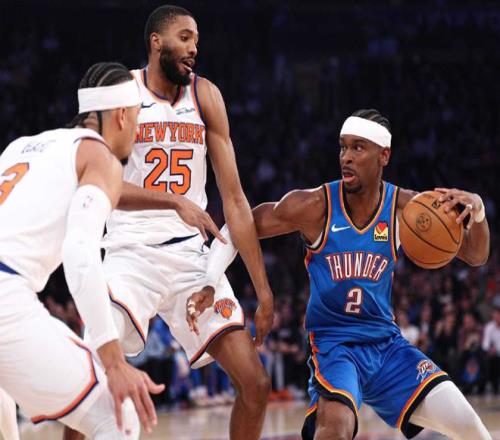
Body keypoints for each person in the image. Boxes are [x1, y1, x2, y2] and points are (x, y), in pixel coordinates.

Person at [188, 109, 492, 439]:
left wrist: (476, 209)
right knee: (335, 430)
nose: (346, 157)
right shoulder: (315, 205)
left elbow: (476, 255)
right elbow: (240, 224)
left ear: (384, 156)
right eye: (343, 147)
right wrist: (210, 281)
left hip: (387, 345)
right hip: (335, 347)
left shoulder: (408, 208)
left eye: (358, 147)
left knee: (472, 427)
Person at [65, 5, 273, 440]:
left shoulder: (206, 96)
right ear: (156, 42)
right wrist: (174, 202)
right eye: (184, 37)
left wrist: (263, 289)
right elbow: (98, 182)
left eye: (196, 39)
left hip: (190, 259)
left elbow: (235, 200)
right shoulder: (121, 93)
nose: (194, 47)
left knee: (255, 384)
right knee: (91, 376)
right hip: (129, 252)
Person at [0, 62, 167, 438]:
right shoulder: (99, 156)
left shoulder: (18, 148)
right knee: (120, 414)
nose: (137, 133)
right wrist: (113, 361)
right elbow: (80, 251)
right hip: (5, 298)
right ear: (121, 115)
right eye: (137, 120)